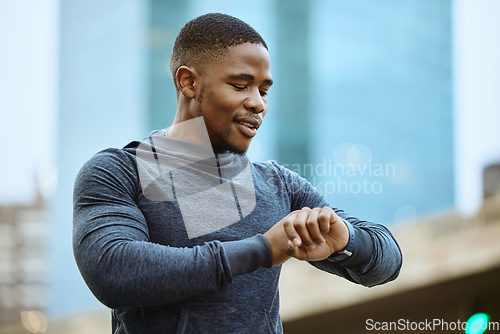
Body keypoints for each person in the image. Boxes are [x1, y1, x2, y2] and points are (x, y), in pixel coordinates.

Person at [73, 13, 402, 334]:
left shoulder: (279, 185)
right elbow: (114, 271)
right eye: (241, 85)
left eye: (264, 90)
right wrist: (263, 250)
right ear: (188, 82)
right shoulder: (118, 171)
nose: (258, 103)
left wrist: (346, 240)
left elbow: (387, 261)